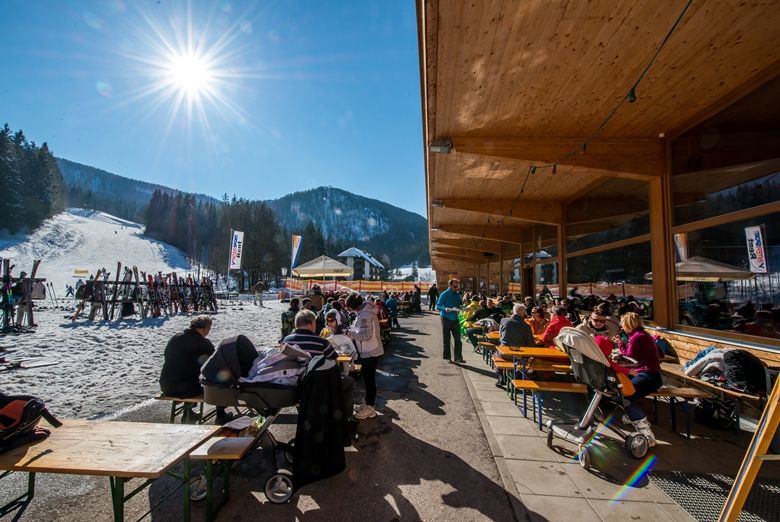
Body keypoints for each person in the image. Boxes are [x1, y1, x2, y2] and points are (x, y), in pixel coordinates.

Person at [284, 309, 356, 424]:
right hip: (317, 385)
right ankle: (346, 419)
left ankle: (305, 412)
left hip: (292, 384)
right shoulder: (321, 342)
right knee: (349, 382)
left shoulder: (286, 340)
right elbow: (334, 359)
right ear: (312, 324)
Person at [159, 315, 231, 424]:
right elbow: (214, 364)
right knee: (219, 378)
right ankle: (221, 415)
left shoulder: (176, 337)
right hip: (186, 389)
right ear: (206, 328)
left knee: (188, 373)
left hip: (166, 385)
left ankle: (188, 413)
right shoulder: (203, 343)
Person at [613, 312, 661, 446]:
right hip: (651, 374)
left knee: (625, 395)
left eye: (622, 322)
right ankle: (631, 416)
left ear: (629, 323)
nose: (621, 325)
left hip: (648, 376)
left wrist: (620, 344)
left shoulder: (637, 337)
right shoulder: (643, 335)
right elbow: (659, 353)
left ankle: (646, 433)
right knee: (623, 389)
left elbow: (629, 359)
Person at [344, 293, 384, 420]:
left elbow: (365, 335)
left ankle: (370, 407)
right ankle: (367, 404)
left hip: (370, 351)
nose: (348, 310)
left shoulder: (365, 315)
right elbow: (362, 331)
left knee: (369, 380)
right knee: (368, 379)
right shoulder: (364, 312)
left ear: (353, 306)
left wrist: (348, 333)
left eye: (349, 307)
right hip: (369, 350)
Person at [495, 304, 535, 386]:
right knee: (527, 359)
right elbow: (531, 344)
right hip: (519, 355)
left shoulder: (503, 320)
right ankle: (518, 375)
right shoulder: (526, 326)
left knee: (496, 353)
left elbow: (500, 336)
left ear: (513, 311)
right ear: (523, 313)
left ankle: (500, 376)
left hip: (504, 353)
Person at [436, 279, 464, 363]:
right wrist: (445, 308)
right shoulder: (444, 294)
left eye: (457, 286)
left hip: (455, 319)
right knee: (447, 338)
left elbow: (458, 305)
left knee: (458, 339)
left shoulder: (457, 295)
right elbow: (438, 306)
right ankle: (447, 357)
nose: (456, 288)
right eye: (455, 286)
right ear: (450, 286)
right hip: (446, 318)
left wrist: (461, 307)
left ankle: (458, 358)